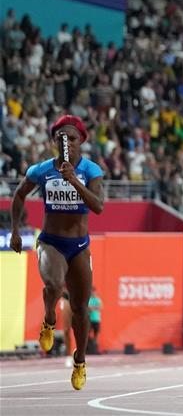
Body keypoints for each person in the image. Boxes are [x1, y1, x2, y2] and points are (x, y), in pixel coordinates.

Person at [10, 115, 105, 390]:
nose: (68, 144)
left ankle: (80, 360)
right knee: (53, 283)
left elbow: (98, 206)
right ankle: (49, 318)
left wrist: (74, 180)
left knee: (80, 310)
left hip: (79, 246)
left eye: (73, 139)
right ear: (56, 142)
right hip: (50, 241)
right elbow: (18, 194)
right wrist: (16, 230)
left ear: (81, 142)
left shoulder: (91, 170)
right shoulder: (41, 170)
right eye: (62, 139)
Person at [87, 286, 102, 354]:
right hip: (89, 319)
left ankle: (95, 348)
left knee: (96, 335)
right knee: (88, 334)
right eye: (91, 292)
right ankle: (88, 348)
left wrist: (92, 308)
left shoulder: (98, 300)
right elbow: (88, 308)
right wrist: (94, 308)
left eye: (93, 291)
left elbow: (99, 308)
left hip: (96, 319)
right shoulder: (89, 299)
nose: (92, 293)